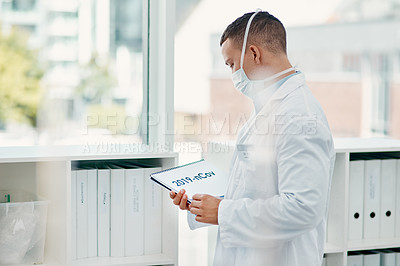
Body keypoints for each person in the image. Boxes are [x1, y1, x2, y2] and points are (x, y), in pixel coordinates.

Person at [170, 9, 335, 266]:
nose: (233, 73)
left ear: (254, 53)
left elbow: (303, 208)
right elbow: (258, 190)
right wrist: (204, 204)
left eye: (232, 64)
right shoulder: (267, 109)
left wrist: (223, 212)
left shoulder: (300, 117)